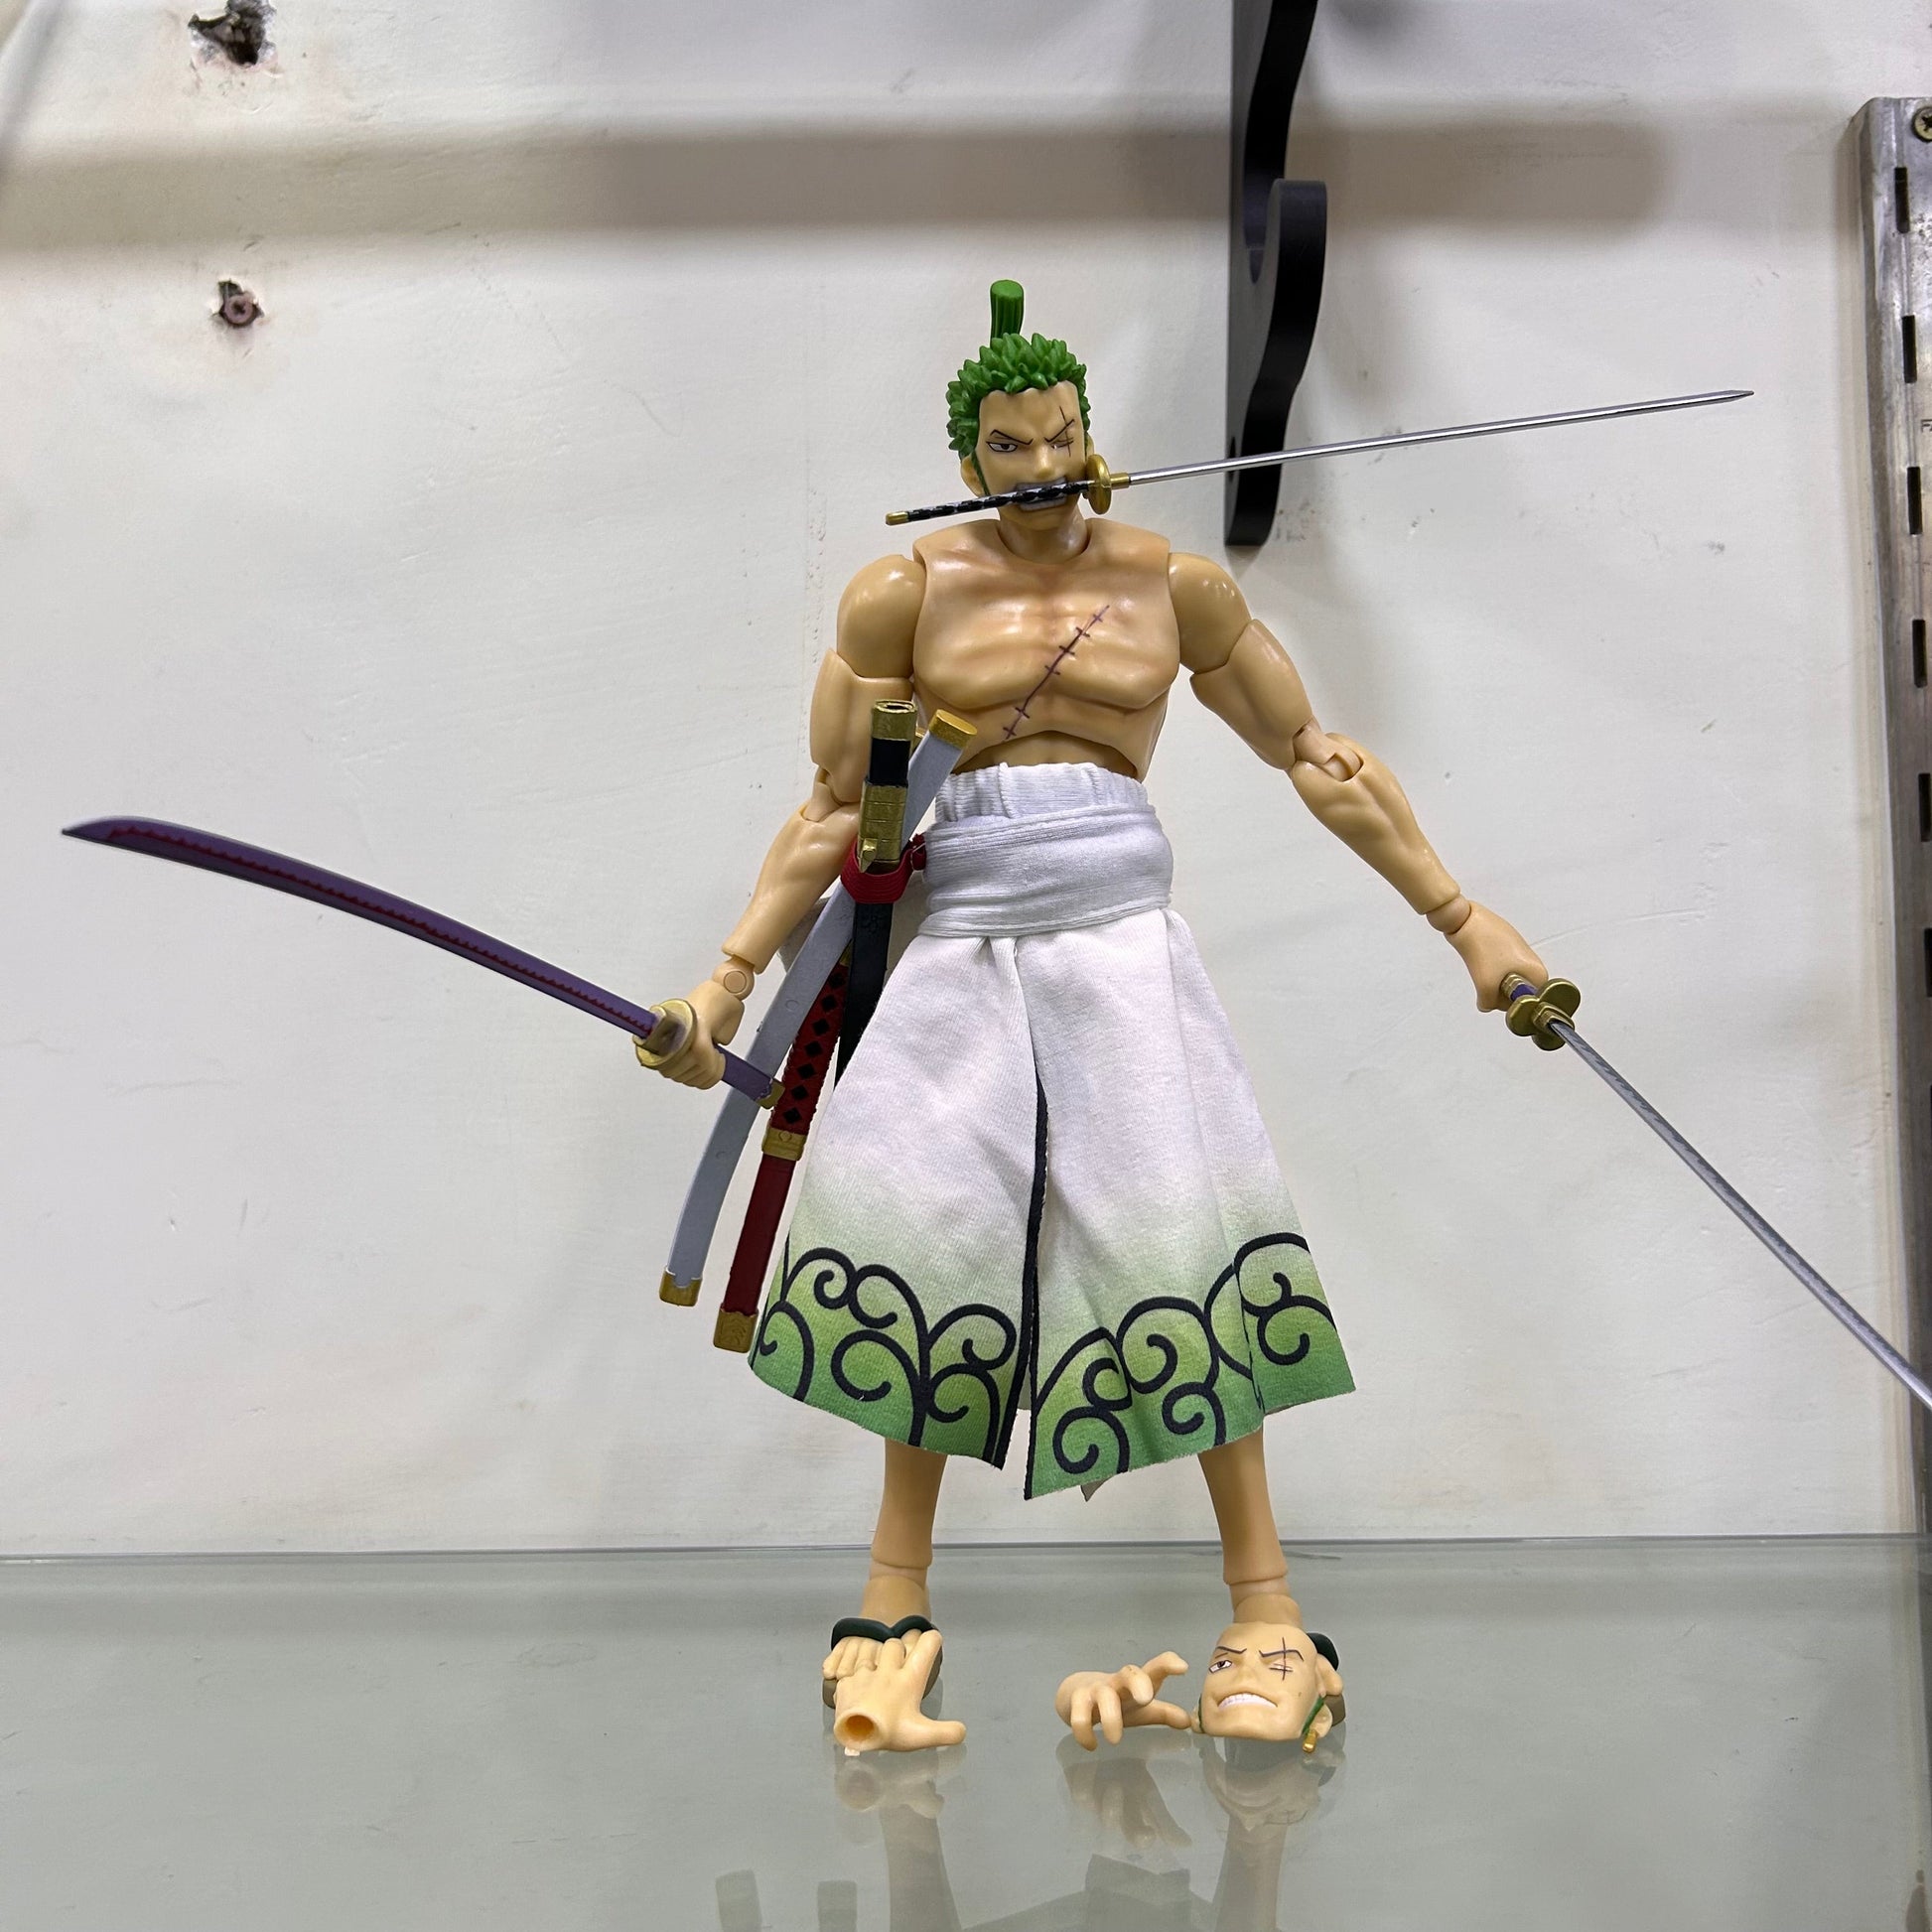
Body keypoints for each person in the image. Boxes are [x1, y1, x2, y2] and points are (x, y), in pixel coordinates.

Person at [644, 280, 1548, 1751]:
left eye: (1060, 434)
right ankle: (889, 1608)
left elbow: (1315, 756)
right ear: (969, 456)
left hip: (1123, 947)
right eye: (1010, 445)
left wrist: (1464, 920)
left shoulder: (1170, 585)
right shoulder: (902, 595)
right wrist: (724, 984)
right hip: (959, 948)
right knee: (930, 1244)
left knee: (1173, 1239)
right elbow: (833, 813)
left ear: (1090, 431)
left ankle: (1269, 1611)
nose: (1041, 464)